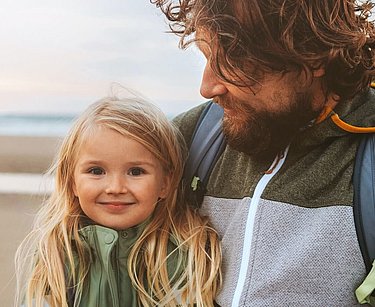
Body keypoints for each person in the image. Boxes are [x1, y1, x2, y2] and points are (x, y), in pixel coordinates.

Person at [152, 0, 375, 306]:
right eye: (206, 57)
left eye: (233, 60)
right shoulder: (191, 138)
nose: (207, 87)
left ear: (313, 54)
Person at [15, 97, 221, 307]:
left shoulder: (185, 253)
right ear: (72, 182)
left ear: (164, 184)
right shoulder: (59, 252)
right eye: (96, 171)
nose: (115, 188)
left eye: (135, 171)